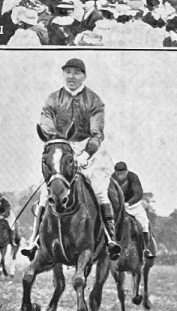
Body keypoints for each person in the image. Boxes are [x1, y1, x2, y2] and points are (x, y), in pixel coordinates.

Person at [21, 57, 121, 259]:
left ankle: (110, 238)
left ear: (84, 76)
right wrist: (57, 139)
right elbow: (46, 121)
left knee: (100, 190)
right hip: (61, 146)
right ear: (63, 74)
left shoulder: (94, 100)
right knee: (45, 192)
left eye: (76, 73)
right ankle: (34, 240)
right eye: (68, 72)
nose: (71, 77)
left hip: (89, 149)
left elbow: (97, 132)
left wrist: (86, 153)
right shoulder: (53, 98)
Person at [110, 161, 154, 250]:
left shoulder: (132, 177)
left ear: (127, 171)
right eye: (118, 174)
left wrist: (128, 203)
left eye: (122, 174)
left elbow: (138, 194)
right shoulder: (111, 178)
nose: (120, 176)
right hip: (116, 207)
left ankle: (146, 249)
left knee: (144, 223)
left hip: (132, 205)